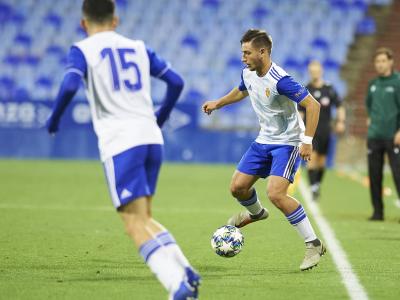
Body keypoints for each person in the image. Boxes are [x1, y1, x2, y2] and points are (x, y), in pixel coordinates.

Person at [45, 1, 200, 298]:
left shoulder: (82, 50)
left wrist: (54, 118)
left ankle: (175, 286)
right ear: (115, 21)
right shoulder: (139, 47)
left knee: (132, 224)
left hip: (121, 141)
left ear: (82, 23)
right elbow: (176, 81)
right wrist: (162, 117)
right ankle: (185, 272)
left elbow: (67, 87)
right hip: (152, 138)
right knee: (144, 217)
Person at [202, 29, 325, 271]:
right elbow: (241, 90)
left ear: (263, 52)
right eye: (242, 53)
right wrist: (218, 102)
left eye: (247, 53)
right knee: (237, 188)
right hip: (263, 141)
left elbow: (313, 105)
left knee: (276, 194)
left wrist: (307, 140)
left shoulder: (281, 80)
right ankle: (257, 214)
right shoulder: (248, 73)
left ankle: (314, 244)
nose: (243, 57)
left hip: (287, 143)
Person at [298, 61, 346, 201]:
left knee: (322, 161)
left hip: (325, 129)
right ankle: (313, 187)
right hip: (310, 130)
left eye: (316, 70)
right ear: (309, 72)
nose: (314, 73)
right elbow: (300, 111)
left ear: (321, 71)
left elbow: (339, 105)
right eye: (311, 70)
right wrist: (299, 129)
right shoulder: (305, 89)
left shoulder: (329, 89)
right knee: (312, 158)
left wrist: (340, 122)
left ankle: (317, 184)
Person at [365, 47, 400, 221]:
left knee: (398, 174)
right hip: (374, 136)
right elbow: (369, 106)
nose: (380, 64)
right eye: (377, 61)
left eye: (383, 61)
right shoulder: (373, 84)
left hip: (393, 137)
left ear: (391, 62)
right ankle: (378, 212)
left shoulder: (398, 81)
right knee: (374, 175)